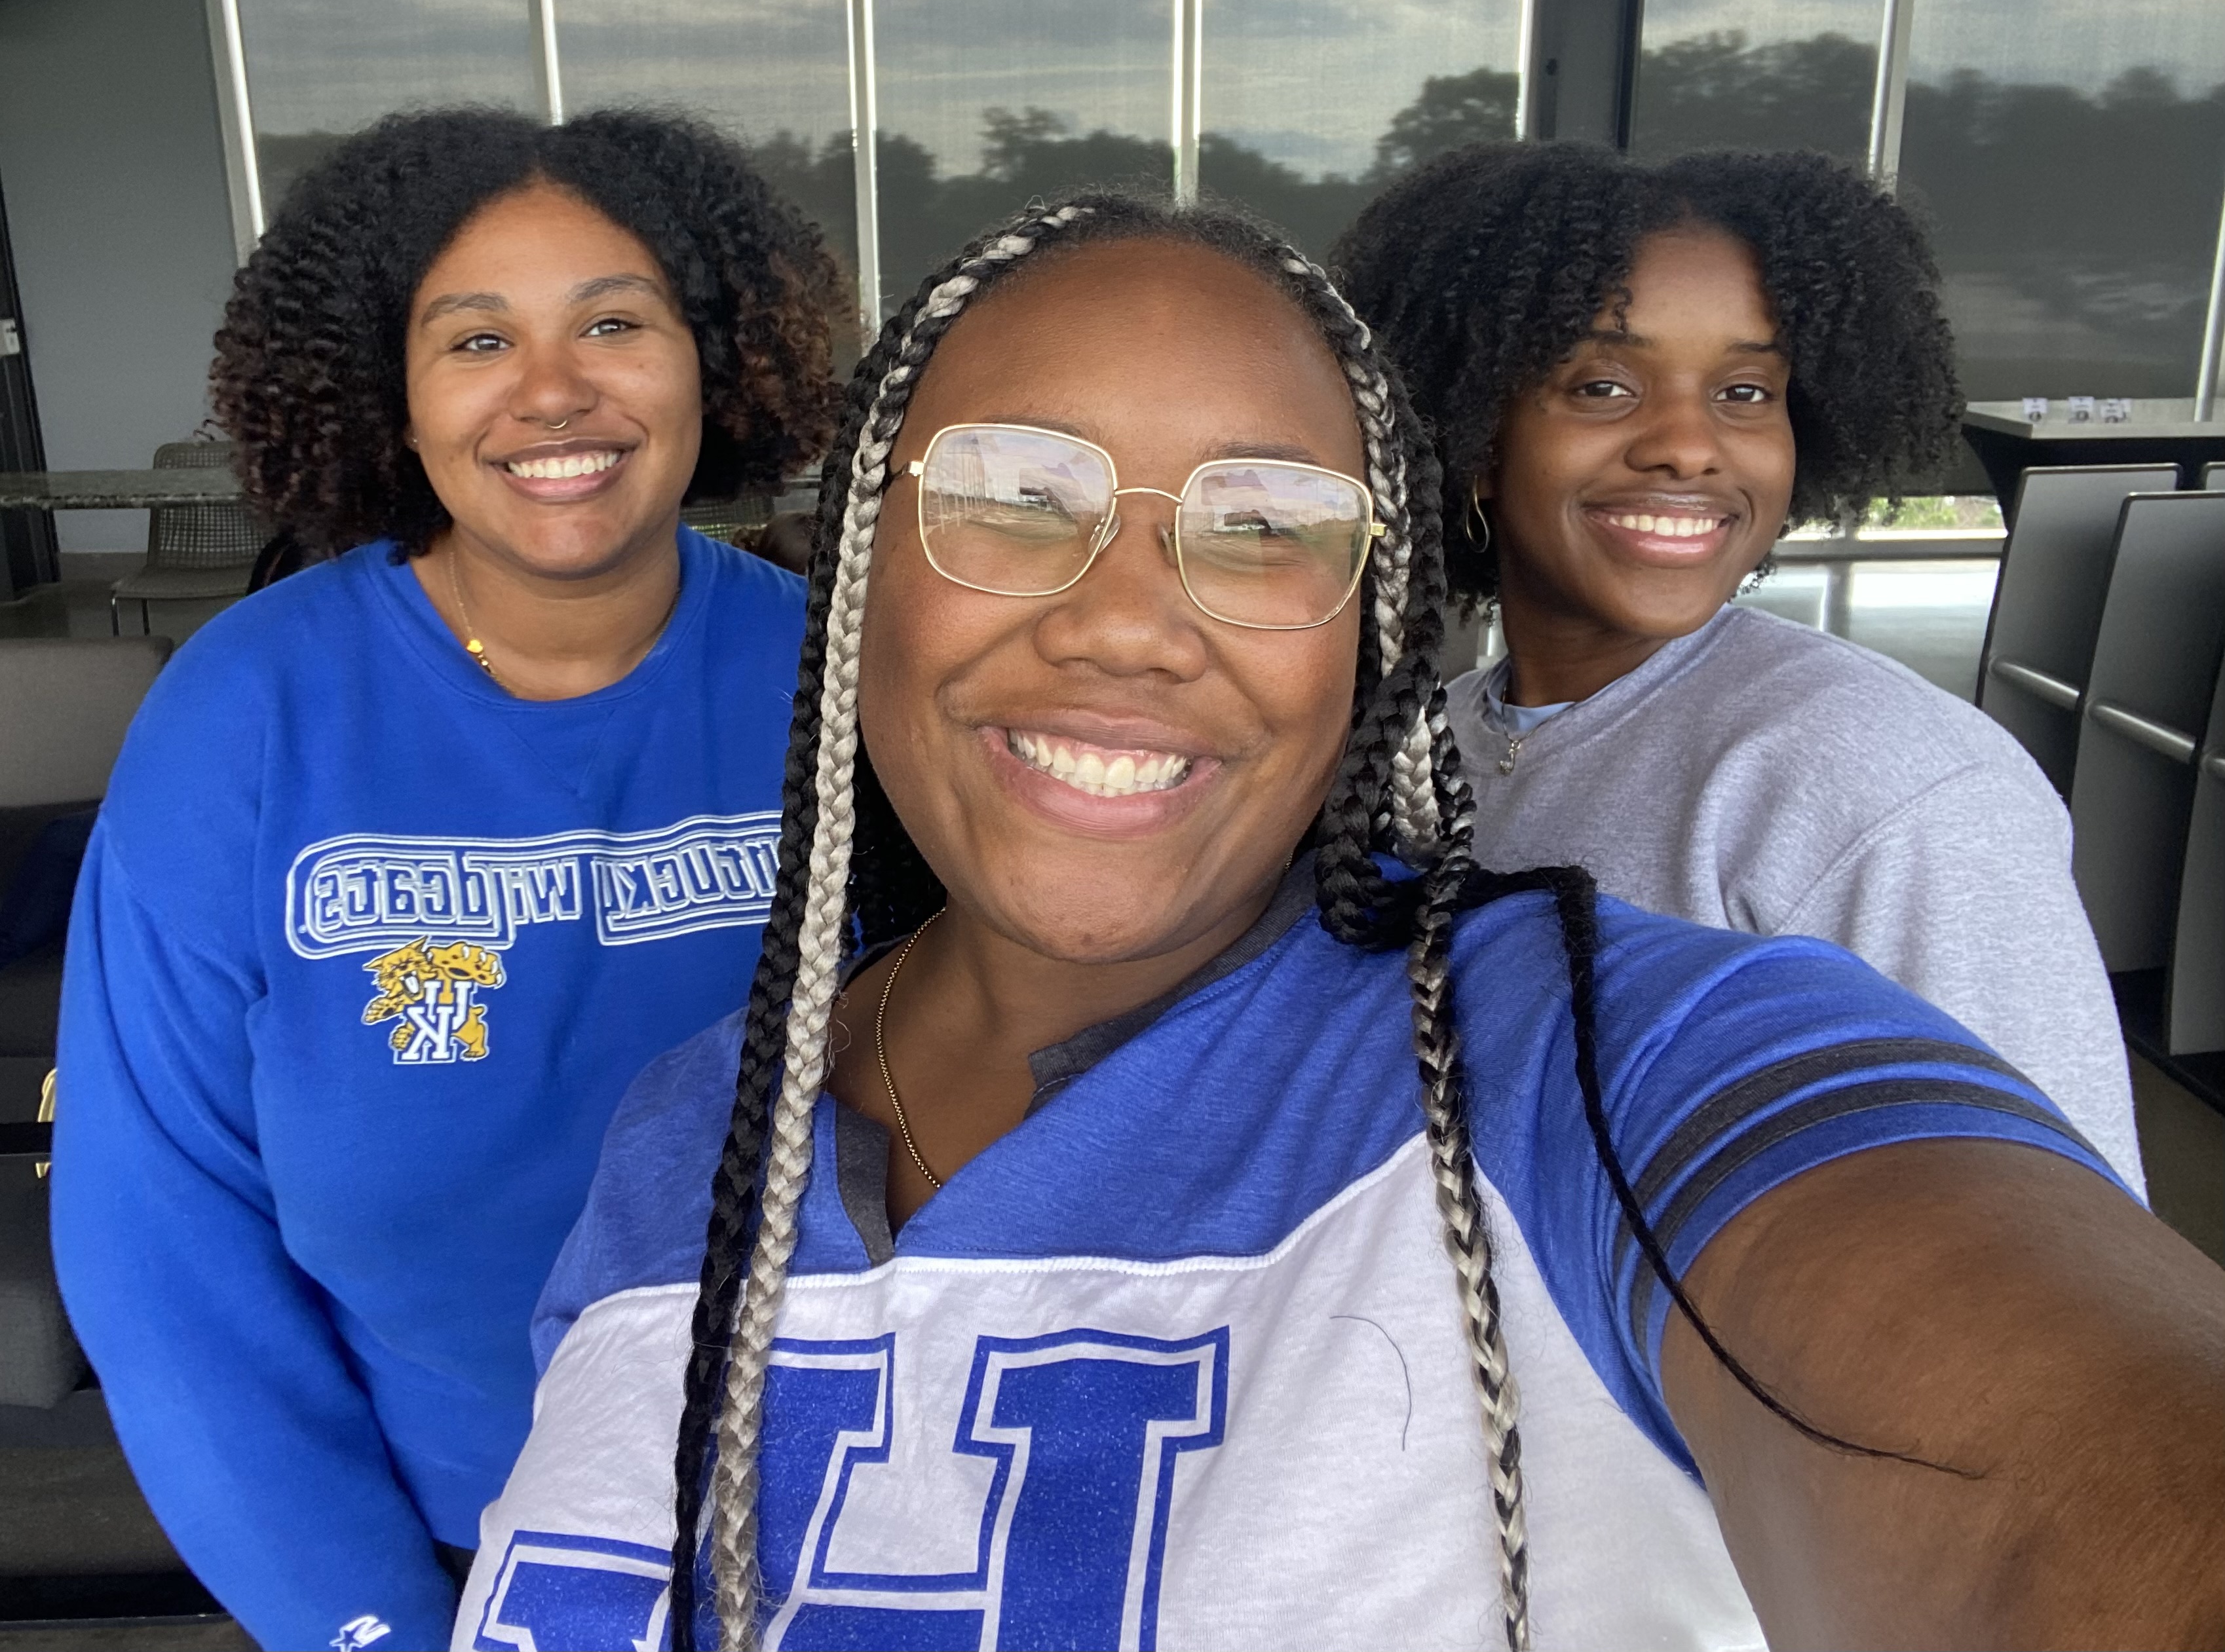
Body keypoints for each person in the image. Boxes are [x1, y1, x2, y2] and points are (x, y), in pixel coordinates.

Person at [459, 192, 2224, 1652]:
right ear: (857, 561)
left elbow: (2070, 1453)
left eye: (1266, 522)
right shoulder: (689, 1131)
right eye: (1010, 492)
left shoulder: (1596, 1061)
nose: (1130, 619)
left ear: (1368, 621)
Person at [52, 108, 845, 1652]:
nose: (554, 389)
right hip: (431, 1555)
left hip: (830, 1528)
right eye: (475, 337)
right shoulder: (246, 715)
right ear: (387, 392)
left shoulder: (840, 679)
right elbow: (162, 1245)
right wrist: (370, 1624)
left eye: (616, 321)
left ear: (716, 358)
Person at [1338, 140, 2144, 1188]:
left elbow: (2070, 1254)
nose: (1688, 444)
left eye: (1748, 392)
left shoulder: (1892, 787)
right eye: (1602, 383)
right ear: (1473, 432)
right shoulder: (1430, 742)